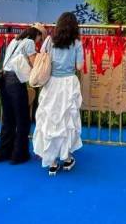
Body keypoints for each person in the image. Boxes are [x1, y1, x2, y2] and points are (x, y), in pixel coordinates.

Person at [32, 12, 84, 176]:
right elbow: (79, 67)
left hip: (52, 83)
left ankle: (52, 162)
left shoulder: (49, 40)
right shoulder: (77, 43)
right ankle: (66, 157)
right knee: (66, 121)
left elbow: (42, 57)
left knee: (49, 119)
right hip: (68, 83)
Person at [0, 23, 45, 164]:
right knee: (22, 119)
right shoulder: (29, 43)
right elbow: (35, 63)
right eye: (40, 38)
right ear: (37, 35)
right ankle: (19, 154)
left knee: (8, 119)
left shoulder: (14, 41)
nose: (39, 42)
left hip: (5, 81)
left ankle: (2, 152)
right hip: (16, 82)